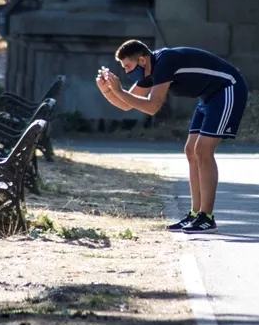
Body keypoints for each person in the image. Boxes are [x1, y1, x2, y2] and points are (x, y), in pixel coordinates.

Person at [95, 40, 249, 234]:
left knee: (202, 150)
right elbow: (127, 104)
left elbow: (152, 107)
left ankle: (207, 217)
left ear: (142, 60)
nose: (126, 72)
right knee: (191, 151)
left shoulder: (165, 62)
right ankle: (195, 214)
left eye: (128, 66)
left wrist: (118, 90)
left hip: (228, 88)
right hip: (208, 97)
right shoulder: (149, 70)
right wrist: (107, 91)